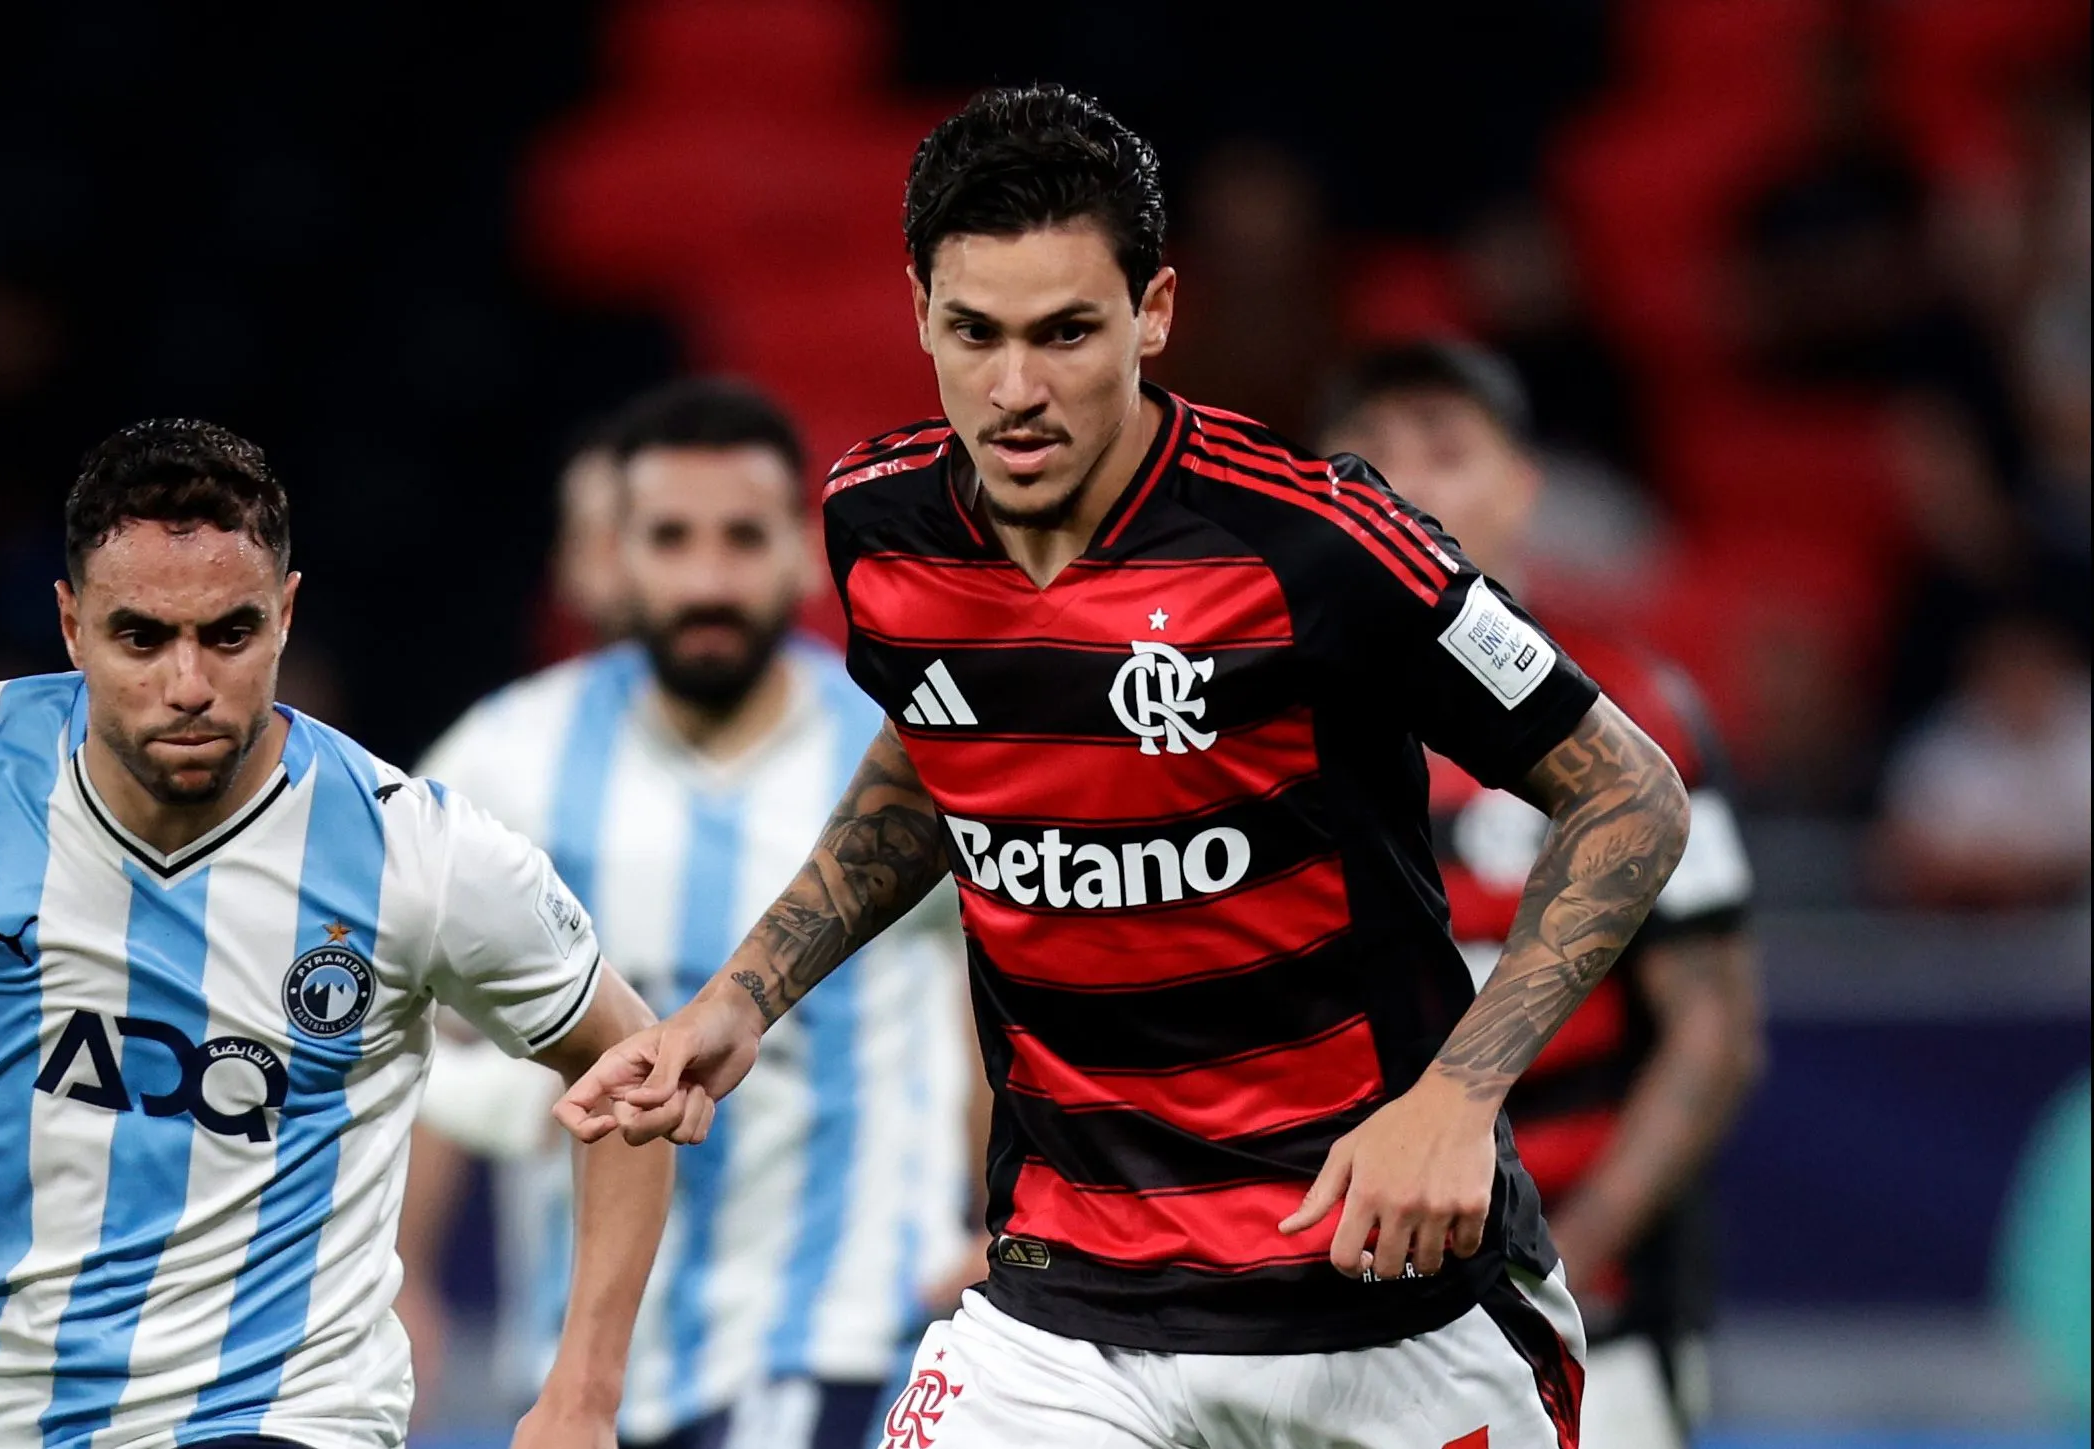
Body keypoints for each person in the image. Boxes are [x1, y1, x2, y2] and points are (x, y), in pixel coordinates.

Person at [560, 84, 1698, 1449]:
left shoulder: (1317, 542)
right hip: (1064, 1312)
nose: (1016, 390)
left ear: (1154, 314)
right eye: (974, 333)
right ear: (917, 306)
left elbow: (1630, 790)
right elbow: (939, 752)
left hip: (1378, 1306)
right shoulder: (880, 526)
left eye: (1067, 333)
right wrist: (742, 996)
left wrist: (1457, 1097)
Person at [0, 419, 674, 1449]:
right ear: (71, 623)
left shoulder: (414, 851)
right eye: (142, 637)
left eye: (229, 634)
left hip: (297, 1419)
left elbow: (636, 1070)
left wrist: (583, 1391)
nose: (188, 684)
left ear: (286, 616)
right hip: (12, 1418)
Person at [398, 379, 978, 1449]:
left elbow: (1010, 995)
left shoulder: (899, 760)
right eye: (671, 539)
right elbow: (404, 1014)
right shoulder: (511, 752)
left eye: (742, 538)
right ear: (619, 557)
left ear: (804, 553)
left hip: (846, 1338)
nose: (709, 578)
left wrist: (1010, 1224)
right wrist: (406, 1275)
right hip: (579, 1358)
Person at [1320, 341, 1765, 1449]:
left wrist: (1564, 1250)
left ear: (1521, 486)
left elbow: (1709, 1031)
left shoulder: (1632, 721)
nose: (1406, 483)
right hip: (1316, 1315)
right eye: (1368, 453)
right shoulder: (1245, 725)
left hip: (1583, 1322)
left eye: (1445, 448)